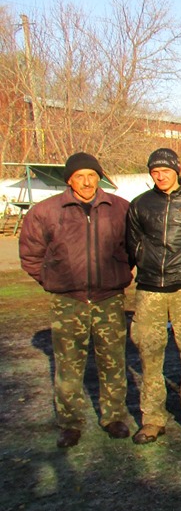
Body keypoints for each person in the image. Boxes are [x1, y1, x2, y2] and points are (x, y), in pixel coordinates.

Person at [19, 152, 133, 448]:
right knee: (68, 365)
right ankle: (70, 423)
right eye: (80, 176)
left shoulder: (119, 208)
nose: (86, 182)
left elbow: (134, 247)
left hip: (109, 298)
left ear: (100, 177)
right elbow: (31, 254)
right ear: (69, 180)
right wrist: (53, 280)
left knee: (113, 361)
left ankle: (114, 416)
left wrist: (119, 271)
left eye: (92, 175)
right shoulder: (45, 211)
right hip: (68, 301)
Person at [126, 148, 181, 444]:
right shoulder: (140, 205)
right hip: (150, 289)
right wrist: (142, 263)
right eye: (154, 171)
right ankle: (152, 418)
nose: (160, 176)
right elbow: (132, 242)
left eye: (165, 170)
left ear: (177, 170)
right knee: (149, 353)